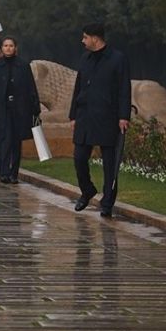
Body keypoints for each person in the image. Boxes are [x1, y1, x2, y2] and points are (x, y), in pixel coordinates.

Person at [69, 23, 131, 217]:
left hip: (107, 117)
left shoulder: (117, 59)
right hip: (85, 116)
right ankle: (87, 190)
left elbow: (124, 90)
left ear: (95, 38)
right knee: (79, 158)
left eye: (85, 37)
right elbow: (78, 87)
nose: (83, 41)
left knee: (109, 163)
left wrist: (123, 116)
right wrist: (73, 115)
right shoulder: (85, 58)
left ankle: (107, 203)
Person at [0, 37, 40, 185]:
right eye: (6, 46)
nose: (8, 48)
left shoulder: (22, 65)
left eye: (11, 46)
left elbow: (30, 87)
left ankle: (14, 173)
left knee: (16, 142)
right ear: (2, 48)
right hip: (2, 108)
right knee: (4, 140)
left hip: (19, 109)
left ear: (15, 48)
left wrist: (35, 108)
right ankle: (4, 172)